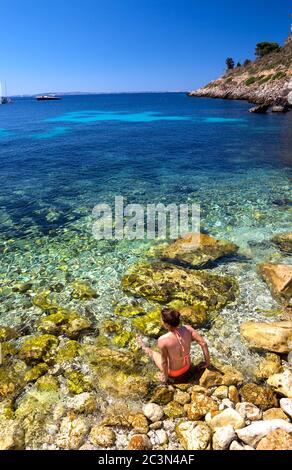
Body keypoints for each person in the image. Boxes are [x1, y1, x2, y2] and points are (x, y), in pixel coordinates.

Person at [137, 308, 211, 383]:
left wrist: (165, 377)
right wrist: (207, 363)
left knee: (152, 353)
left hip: (173, 372)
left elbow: (164, 362)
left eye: (162, 320)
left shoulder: (162, 340)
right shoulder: (188, 329)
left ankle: (141, 344)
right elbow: (203, 343)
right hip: (187, 366)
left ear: (166, 324)